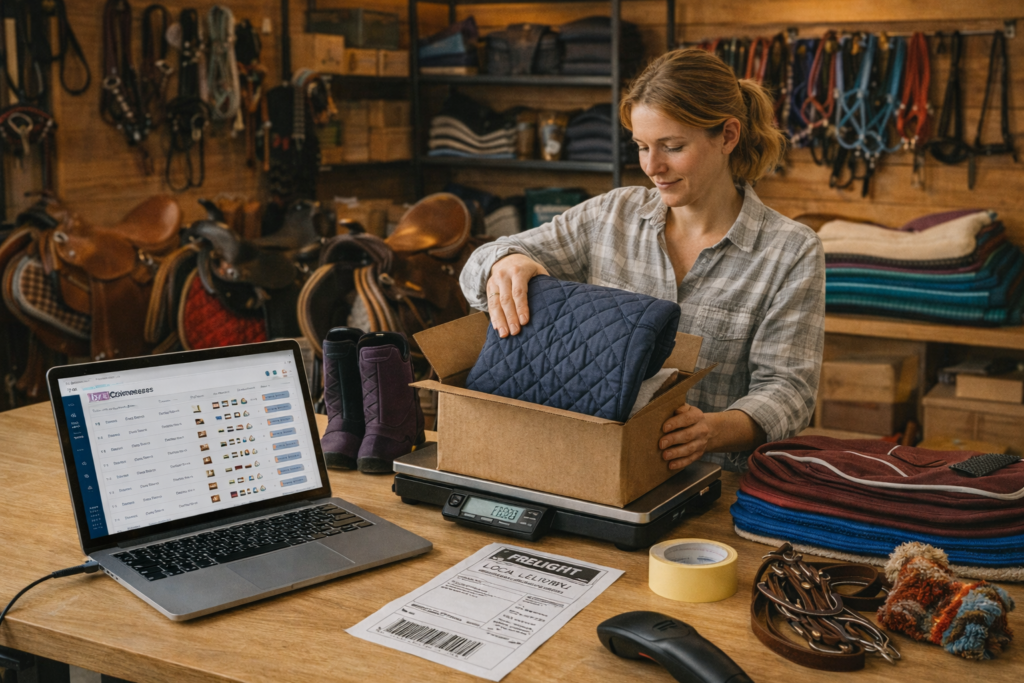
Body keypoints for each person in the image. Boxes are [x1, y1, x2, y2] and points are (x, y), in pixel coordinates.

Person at [459, 48, 825, 472]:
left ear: (727, 136)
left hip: (712, 482)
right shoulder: (609, 216)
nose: (653, 166)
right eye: (641, 146)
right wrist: (504, 262)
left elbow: (787, 390)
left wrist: (710, 430)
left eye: (672, 147)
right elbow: (478, 265)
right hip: (591, 469)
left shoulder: (790, 250)